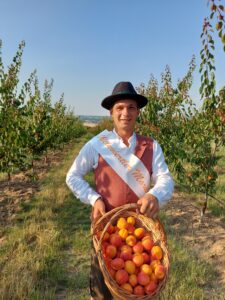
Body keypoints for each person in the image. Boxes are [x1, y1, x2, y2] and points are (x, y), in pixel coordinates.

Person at [66, 81, 174, 300]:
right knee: (101, 292)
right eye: (120, 108)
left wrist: (155, 194)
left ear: (138, 112)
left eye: (131, 107)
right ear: (111, 112)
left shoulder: (152, 146)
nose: (126, 113)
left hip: (140, 233)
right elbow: (72, 176)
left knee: (141, 290)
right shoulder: (97, 144)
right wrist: (94, 198)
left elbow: (166, 179)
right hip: (106, 231)